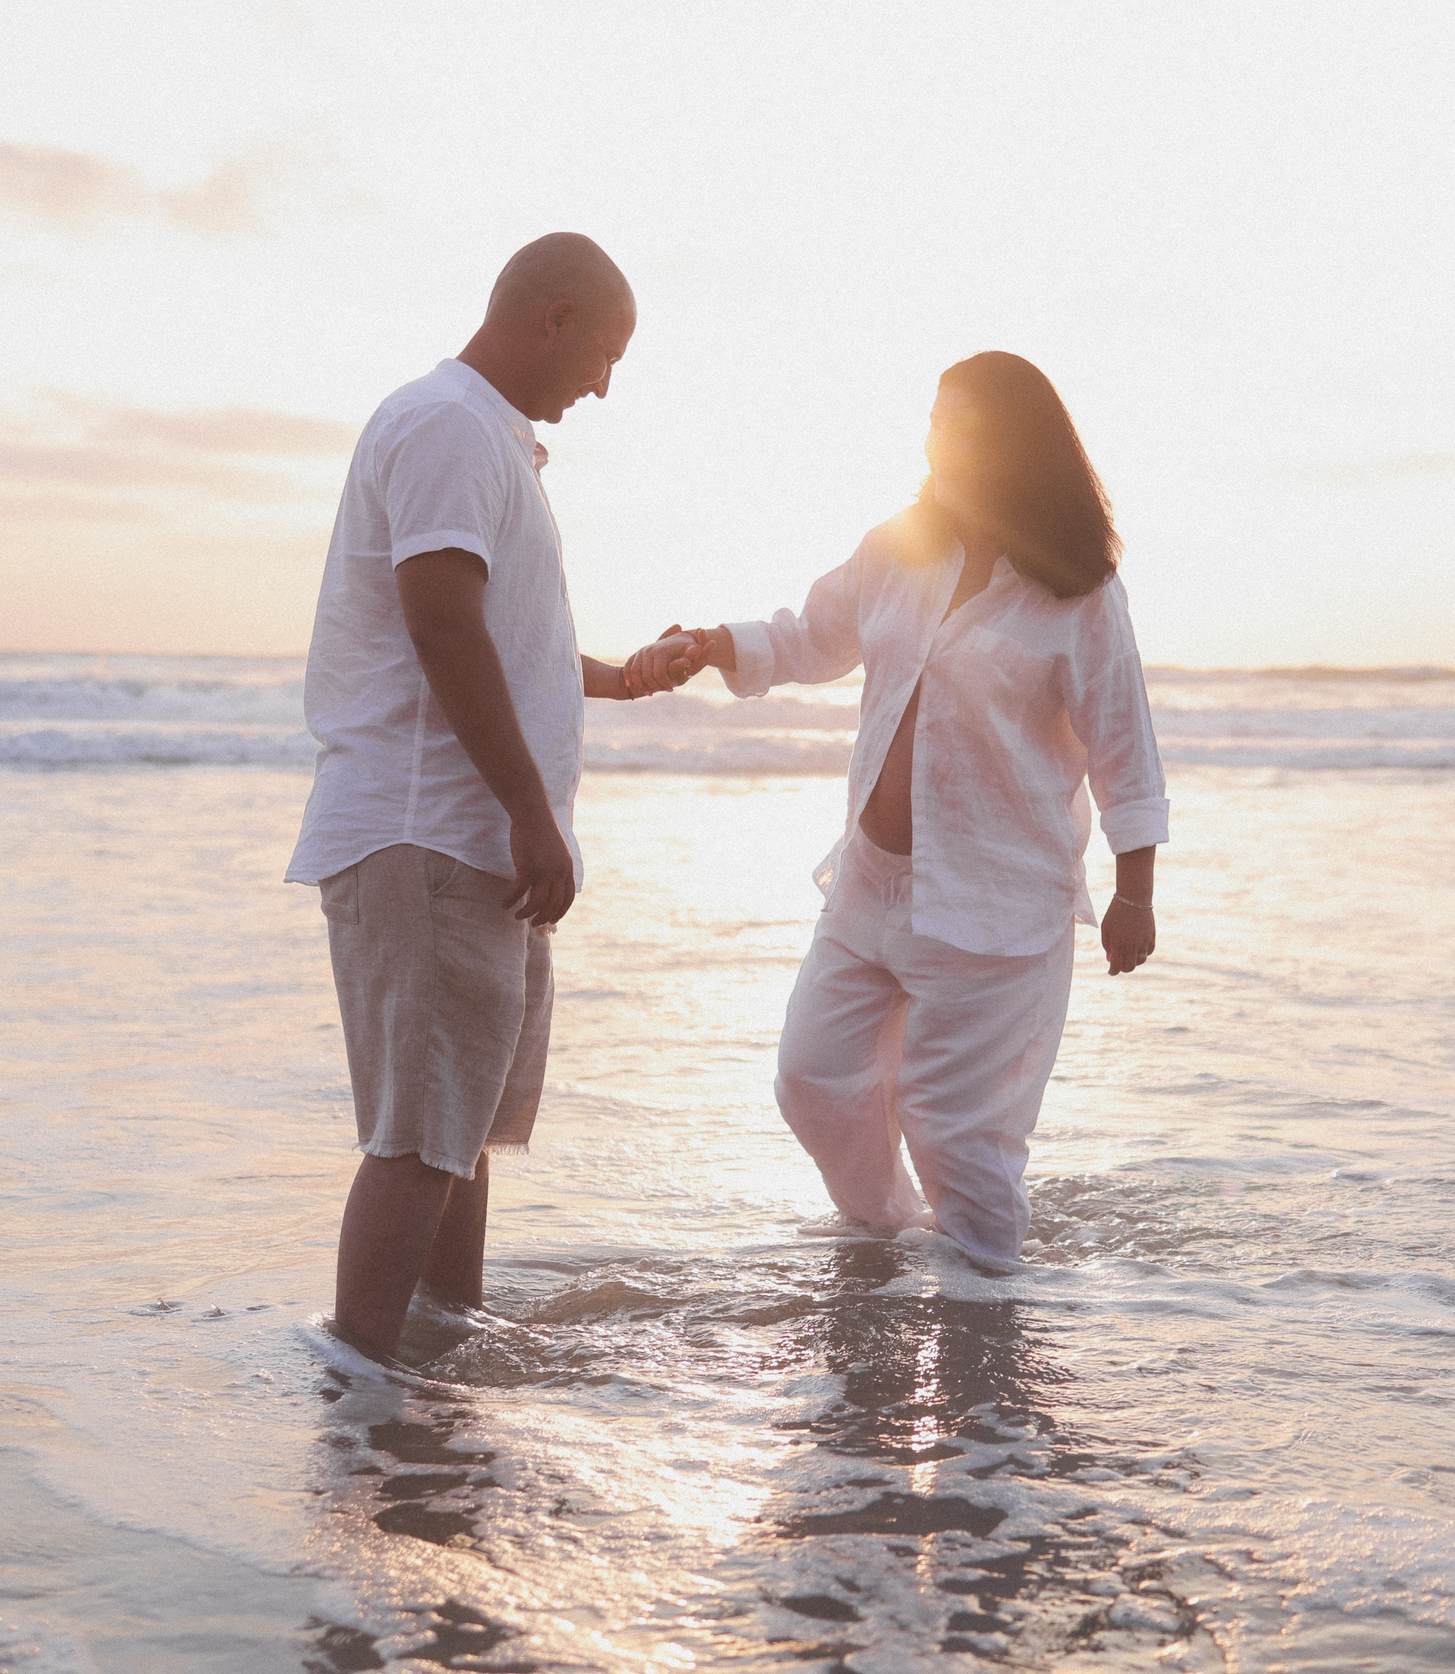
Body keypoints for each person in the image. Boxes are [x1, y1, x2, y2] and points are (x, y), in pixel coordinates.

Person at [640, 351, 1167, 1268]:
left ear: (1011, 446)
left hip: (996, 905)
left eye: (958, 423)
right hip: (869, 887)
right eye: (932, 419)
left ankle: (989, 1352)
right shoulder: (901, 546)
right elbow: (811, 637)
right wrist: (719, 642)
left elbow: (1125, 742)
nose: (935, 440)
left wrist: (1135, 890)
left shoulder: (1077, 592)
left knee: (962, 1138)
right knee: (812, 1077)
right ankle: (889, 1240)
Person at [285, 233, 691, 1365]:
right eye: (603, 353)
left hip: (469, 842)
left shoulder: (489, 442)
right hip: (430, 833)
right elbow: (440, 622)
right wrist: (526, 809)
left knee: (455, 1136)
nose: (603, 385)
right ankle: (362, 1397)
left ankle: (439, 1369)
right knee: (421, 1134)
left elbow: (499, 633)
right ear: (550, 318)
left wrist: (613, 676)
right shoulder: (449, 426)